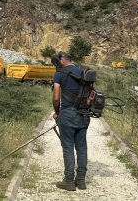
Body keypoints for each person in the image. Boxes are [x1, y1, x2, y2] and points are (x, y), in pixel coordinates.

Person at [52, 51, 90, 191]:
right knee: (82, 148)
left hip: (67, 114)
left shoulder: (60, 74)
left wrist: (57, 113)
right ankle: (81, 181)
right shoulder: (84, 73)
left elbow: (56, 98)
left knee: (68, 147)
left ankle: (68, 181)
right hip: (84, 114)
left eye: (57, 62)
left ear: (62, 60)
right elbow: (92, 93)